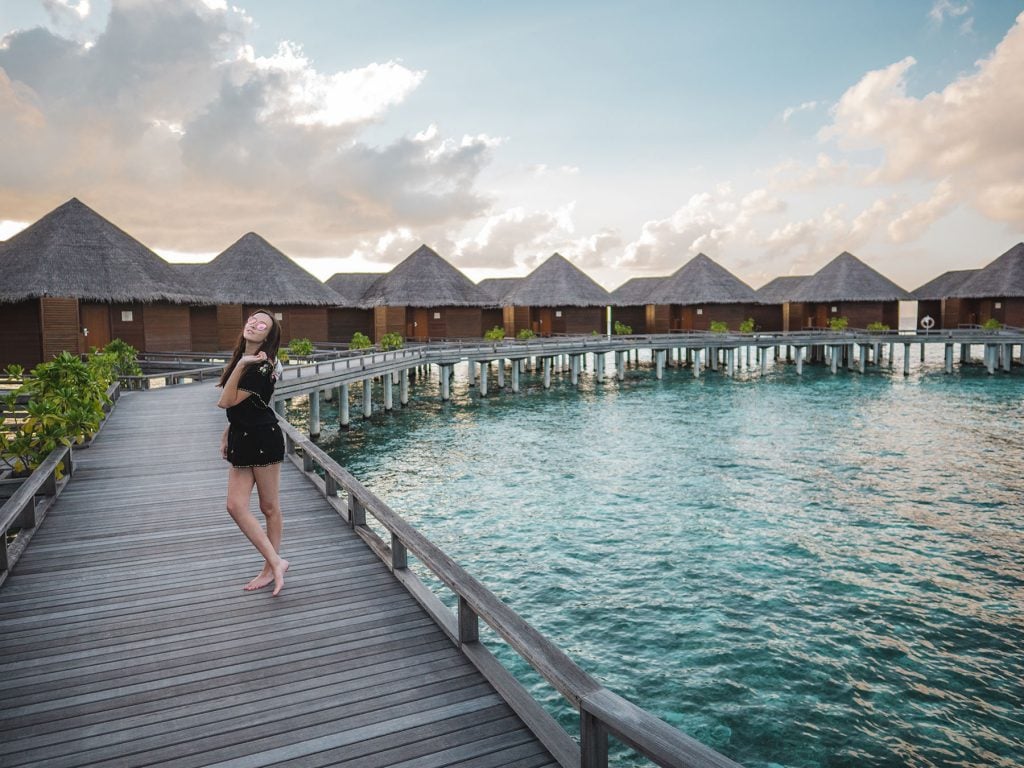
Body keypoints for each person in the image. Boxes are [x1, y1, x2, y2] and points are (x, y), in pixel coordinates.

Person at [217, 310, 289, 596]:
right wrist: (227, 434)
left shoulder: (261, 366)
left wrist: (242, 364)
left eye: (262, 325)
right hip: (242, 436)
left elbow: (224, 401)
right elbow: (239, 408)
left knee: (269, 508)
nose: (254, 324)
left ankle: (271, 567)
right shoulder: (244, 360)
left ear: (268, 336)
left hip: (263, 438)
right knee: (235, 505)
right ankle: (276, 562)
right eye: (251, 320)